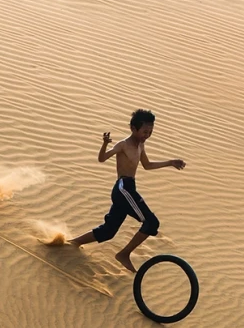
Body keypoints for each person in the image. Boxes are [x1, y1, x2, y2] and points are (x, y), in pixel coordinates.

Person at [67, 110, 185, 273]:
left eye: (150, 132)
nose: (147, 135)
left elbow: (147, 165)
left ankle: (72, 243)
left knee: (108, 231)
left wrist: (170, 162)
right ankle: (124, 254)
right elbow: (102, 159)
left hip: (128, 189)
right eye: (144, 132)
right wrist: (105, 143)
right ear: (133, 129)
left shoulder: (141, 145)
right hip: (123, 188)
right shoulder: (123, 144)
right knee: (151, 222)